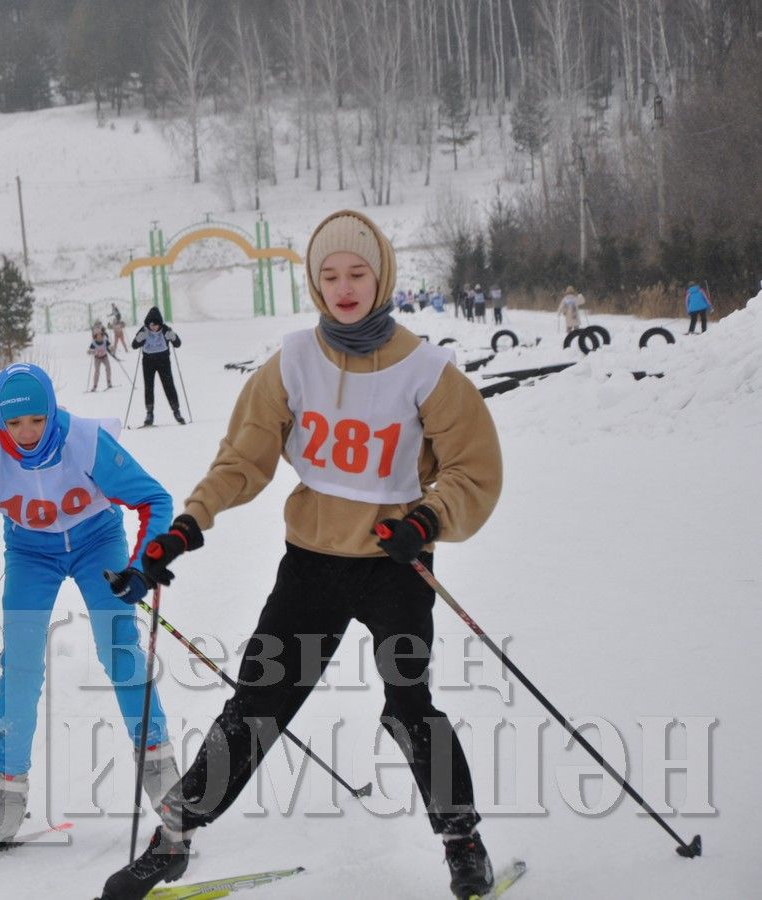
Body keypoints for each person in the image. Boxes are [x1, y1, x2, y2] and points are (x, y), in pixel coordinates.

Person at [97, 210, 503, 900]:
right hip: (311, 564)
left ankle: (461, 840)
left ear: (381, 277)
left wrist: (425, 517)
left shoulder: (428, 371)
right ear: (314, 284)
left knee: (409, 704)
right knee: (256, 703)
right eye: (329, 275)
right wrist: (185, 526)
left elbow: (473, 470)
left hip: (392, 564)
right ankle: (172, 840)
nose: (343, 287)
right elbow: (241, 460)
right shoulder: (291, 362)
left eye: (357, 273)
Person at [0, 363, 180, 846]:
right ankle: (6, 794)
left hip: (98, 541)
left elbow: (154, 500)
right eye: (14, 424)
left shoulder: (86, 442)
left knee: (119, 648)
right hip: (31, 553)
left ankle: (161, 771)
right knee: (23, 666)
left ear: (51, 410)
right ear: (0, 422)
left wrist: (142, 566)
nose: (27, 434)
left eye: (36, 419)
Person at [130, 307, 185, 426]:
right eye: (151, 325)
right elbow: (134, 345)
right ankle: (149, 413)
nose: (153, 327)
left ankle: (176, 411)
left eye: (156, 325)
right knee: (148, 386)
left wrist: (173, 336)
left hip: (163, 361)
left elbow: (178, 344)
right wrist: (139, 338)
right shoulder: (144, 330)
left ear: (160, 324)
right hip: (148, 361)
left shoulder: (165, 330)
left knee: (169, 385)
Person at [87, 324, 117, 391]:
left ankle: (109, 383)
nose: (100, 336)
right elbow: (90, 351)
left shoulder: (105, 340)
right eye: (98, 335)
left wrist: (112, 348)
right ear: (96, 336)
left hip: (104, 357)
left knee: (108, 368)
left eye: (101, 334)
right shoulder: (94, 343)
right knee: (97, 371)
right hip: (97, 358)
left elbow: (110, 346)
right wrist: (90, 352)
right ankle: (95, 386)